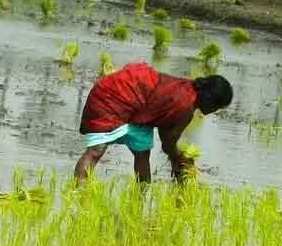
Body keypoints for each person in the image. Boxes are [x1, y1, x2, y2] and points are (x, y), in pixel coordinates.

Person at [74, 63, 232, 183]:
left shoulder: (186, 91)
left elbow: (166, 136)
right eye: (216, 107)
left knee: (142, 153)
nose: (214, 111)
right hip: (116, 94)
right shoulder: (185, 105)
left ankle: (140, 200)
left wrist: (177, 160)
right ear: (209, 99)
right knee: (96, 150)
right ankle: (77, 196)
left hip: (140, 105)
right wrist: (180, 159)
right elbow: (168, 145)